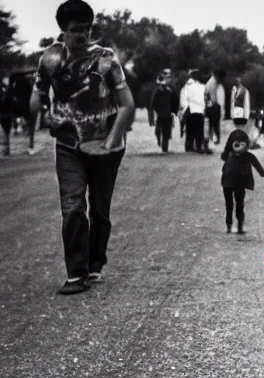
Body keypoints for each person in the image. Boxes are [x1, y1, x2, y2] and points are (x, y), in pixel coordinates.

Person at [29, 0, 135, 294]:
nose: (83, 35)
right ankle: (76, 273)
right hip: (68, 144)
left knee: (100, 211)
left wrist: (109, 142)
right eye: (76, 30)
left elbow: (127, 106)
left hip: (107, 146)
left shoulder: (105, 59)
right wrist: (40, 111)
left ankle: (95, 264)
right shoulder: (50, 59)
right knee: (73, 206)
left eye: (87, 29)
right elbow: (37, 98)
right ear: (63, 30)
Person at [220, 129, 264, 234]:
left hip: (227, 182)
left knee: (229, 204)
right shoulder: (248, 155)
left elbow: (223, 157)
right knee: (239, 203)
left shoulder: (228, 154)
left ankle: (229, 226)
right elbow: (257, 164)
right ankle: (240, 226)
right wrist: (262, 173)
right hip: (240, 183)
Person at [148, 68, 179, 152]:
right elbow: (152, 101)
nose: (168, 78)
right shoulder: (157, 88)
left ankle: (165, 147)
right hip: (159, 112)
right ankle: (159, 138)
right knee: (158, 130)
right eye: (166, 75)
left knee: (167, 131)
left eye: (169, 76)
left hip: (168, 112)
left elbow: (175, 100)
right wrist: (153, 112)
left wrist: (174, 111)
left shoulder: (172, 88)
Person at [180, 69, 207, 153]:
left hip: (191, 110)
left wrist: (184, 110)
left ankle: (189, 146)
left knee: (190, 129)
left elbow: (183, 100)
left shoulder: (186, 87)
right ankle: (198, 146)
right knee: (198, 129)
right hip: (198, 110)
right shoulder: (201, 86)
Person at [204, 70, 225, 145]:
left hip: (211, 105)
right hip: (213, 106)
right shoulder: (213, 82)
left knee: (212, 124)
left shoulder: (212, 81)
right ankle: (213, 139)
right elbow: (212, 96)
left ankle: (211, 138)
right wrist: (215, 104)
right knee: (214, 123)